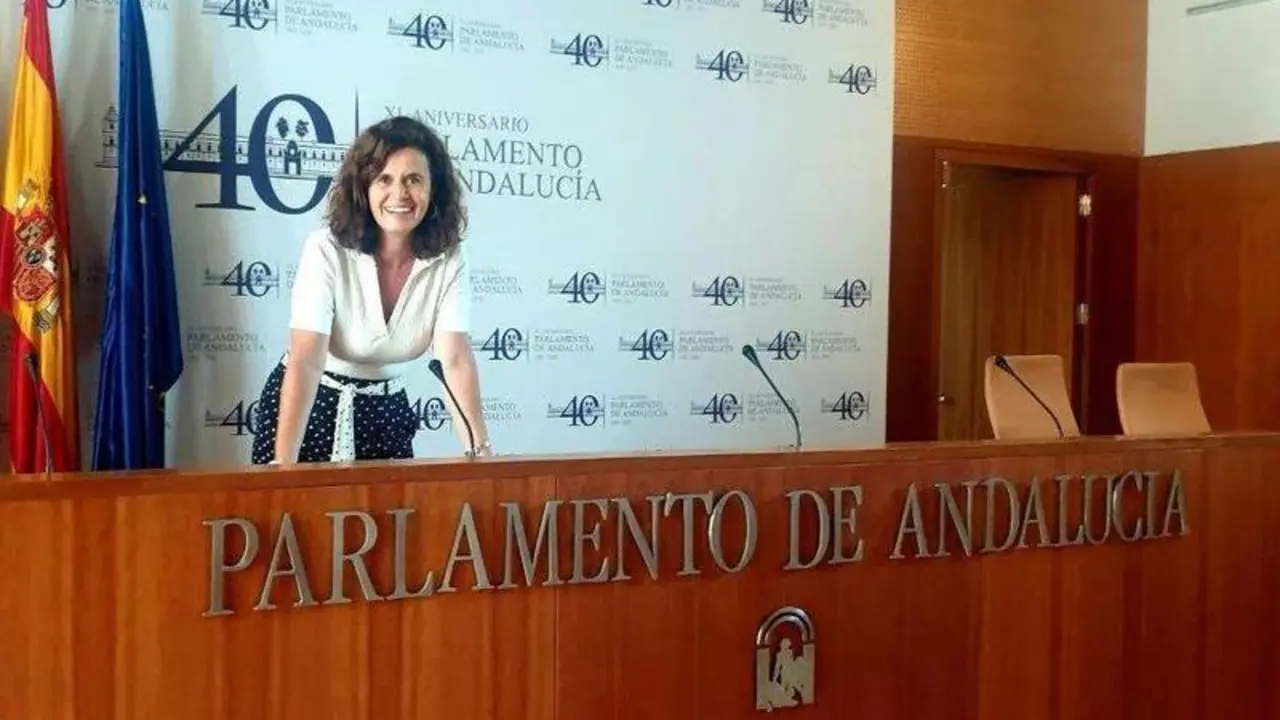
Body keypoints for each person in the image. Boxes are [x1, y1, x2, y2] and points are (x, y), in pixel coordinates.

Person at [250, 116, 490, 465]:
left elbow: (453, 359)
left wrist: (482, 457)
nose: (400, 194)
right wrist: (283, 467)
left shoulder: (450, 255)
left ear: (433, 188)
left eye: (413, 179)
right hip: (310, 407)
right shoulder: (325, 248)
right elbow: (306, 360)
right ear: (363, 189)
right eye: (384, 180)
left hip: (387, 412)